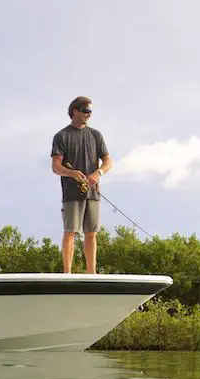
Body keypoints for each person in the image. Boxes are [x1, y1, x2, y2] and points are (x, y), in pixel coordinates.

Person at [50, 96, 112, 274]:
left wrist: (98, 173)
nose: (89, 115)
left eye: (90, 112)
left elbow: (108, 161)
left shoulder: (95, 135)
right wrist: (73, 174)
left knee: (91, 233)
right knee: (70, 231)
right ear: (75, 111)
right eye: (86, 111)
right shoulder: (61, 136)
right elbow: (56, 167)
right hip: (71, 193)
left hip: (92, 193)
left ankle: (92, 273)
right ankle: (67, 273)